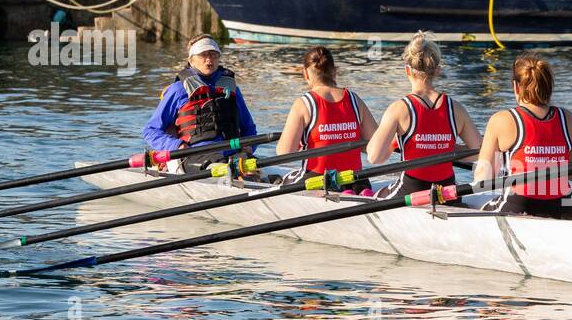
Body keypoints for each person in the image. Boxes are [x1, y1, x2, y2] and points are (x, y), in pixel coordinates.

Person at [473, 55, 572, 220]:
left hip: (518, 207)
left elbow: (482, 179)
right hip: (563, 209)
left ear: (516, 87)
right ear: (549, 87)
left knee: (474, 206)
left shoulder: (501, 119)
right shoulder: (568, 119)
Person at [367, 32, 482, 200]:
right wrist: (446, 147)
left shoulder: (398, 109)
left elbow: (374, 157)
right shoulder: (457, 109)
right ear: (437, 71)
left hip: (410, 190)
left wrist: (395, 142)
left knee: (376, 195)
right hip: (447, 193)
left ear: (407, 70)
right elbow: (479, 152)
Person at [143, 35, 258, 171]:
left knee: (257, 169)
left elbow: (249, 129)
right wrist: (176, 145)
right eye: (203, 55)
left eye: (213, 54)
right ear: (191, 61)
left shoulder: (231, 89)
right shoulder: (178, 90)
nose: (209, 59)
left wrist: (250, 145)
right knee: (222, 169)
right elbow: (150, 131)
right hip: (196, 155)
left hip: (233, 153)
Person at [276, 46, 379, 192]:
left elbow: (284, 153)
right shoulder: (355, 100)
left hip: (317, 180)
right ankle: (354, 190)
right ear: (335, 71)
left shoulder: (304, 103)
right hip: (356, 179)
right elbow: (375, 145)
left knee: (279, 180)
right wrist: (346, 138)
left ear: (305, 74)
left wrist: (303, 143)